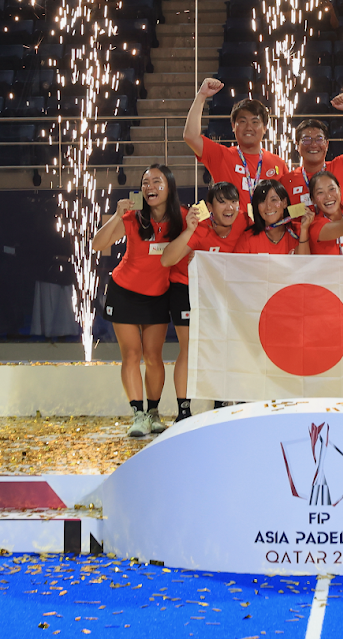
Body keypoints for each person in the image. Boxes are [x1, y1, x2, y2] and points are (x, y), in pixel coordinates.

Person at [92, 164, 185, 438]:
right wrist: (116, 216)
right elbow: (97, 244)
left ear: (169, 186)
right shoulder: (132, 217)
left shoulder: (181, 217)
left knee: (153, 356)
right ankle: (138, 414)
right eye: (145, 182)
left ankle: (153, 413)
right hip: (124, 293)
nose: (150, 187)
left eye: (157, 181)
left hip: (158, 296)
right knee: (132, 355)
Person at [161, 182, 250, 420]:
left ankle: (221, 402)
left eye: (233, 201)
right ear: (209, 207)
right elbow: (166, 260)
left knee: (224, 345)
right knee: (189, 347)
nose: (229, 207)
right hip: (187, 288)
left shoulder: (244, 220)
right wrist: (189, 231)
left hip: (220, 291)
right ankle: (183, 411)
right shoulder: (200, 227)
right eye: (222, 202)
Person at [184, 78, 287, 209]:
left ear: (265, 127)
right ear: (233, 126)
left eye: (255, 122)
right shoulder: (222, 156)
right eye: (242, 121)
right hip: (231, 222)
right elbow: (190, 136)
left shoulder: (278, 164)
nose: (249, 127)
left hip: (267, 222)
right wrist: (201, 95)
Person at [282, 94, 343, 207]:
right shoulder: (286, 181)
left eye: (319, 139)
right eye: (306, 140)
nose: (313, 145)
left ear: (327, 144)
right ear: (297, 146)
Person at [235, 180, 313, 255]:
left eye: (274, 200)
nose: (268, 207)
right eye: (262, 201)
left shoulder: (299, 231)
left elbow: (305, 262)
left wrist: (304, 230)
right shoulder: (247, 238)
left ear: (284, 202)